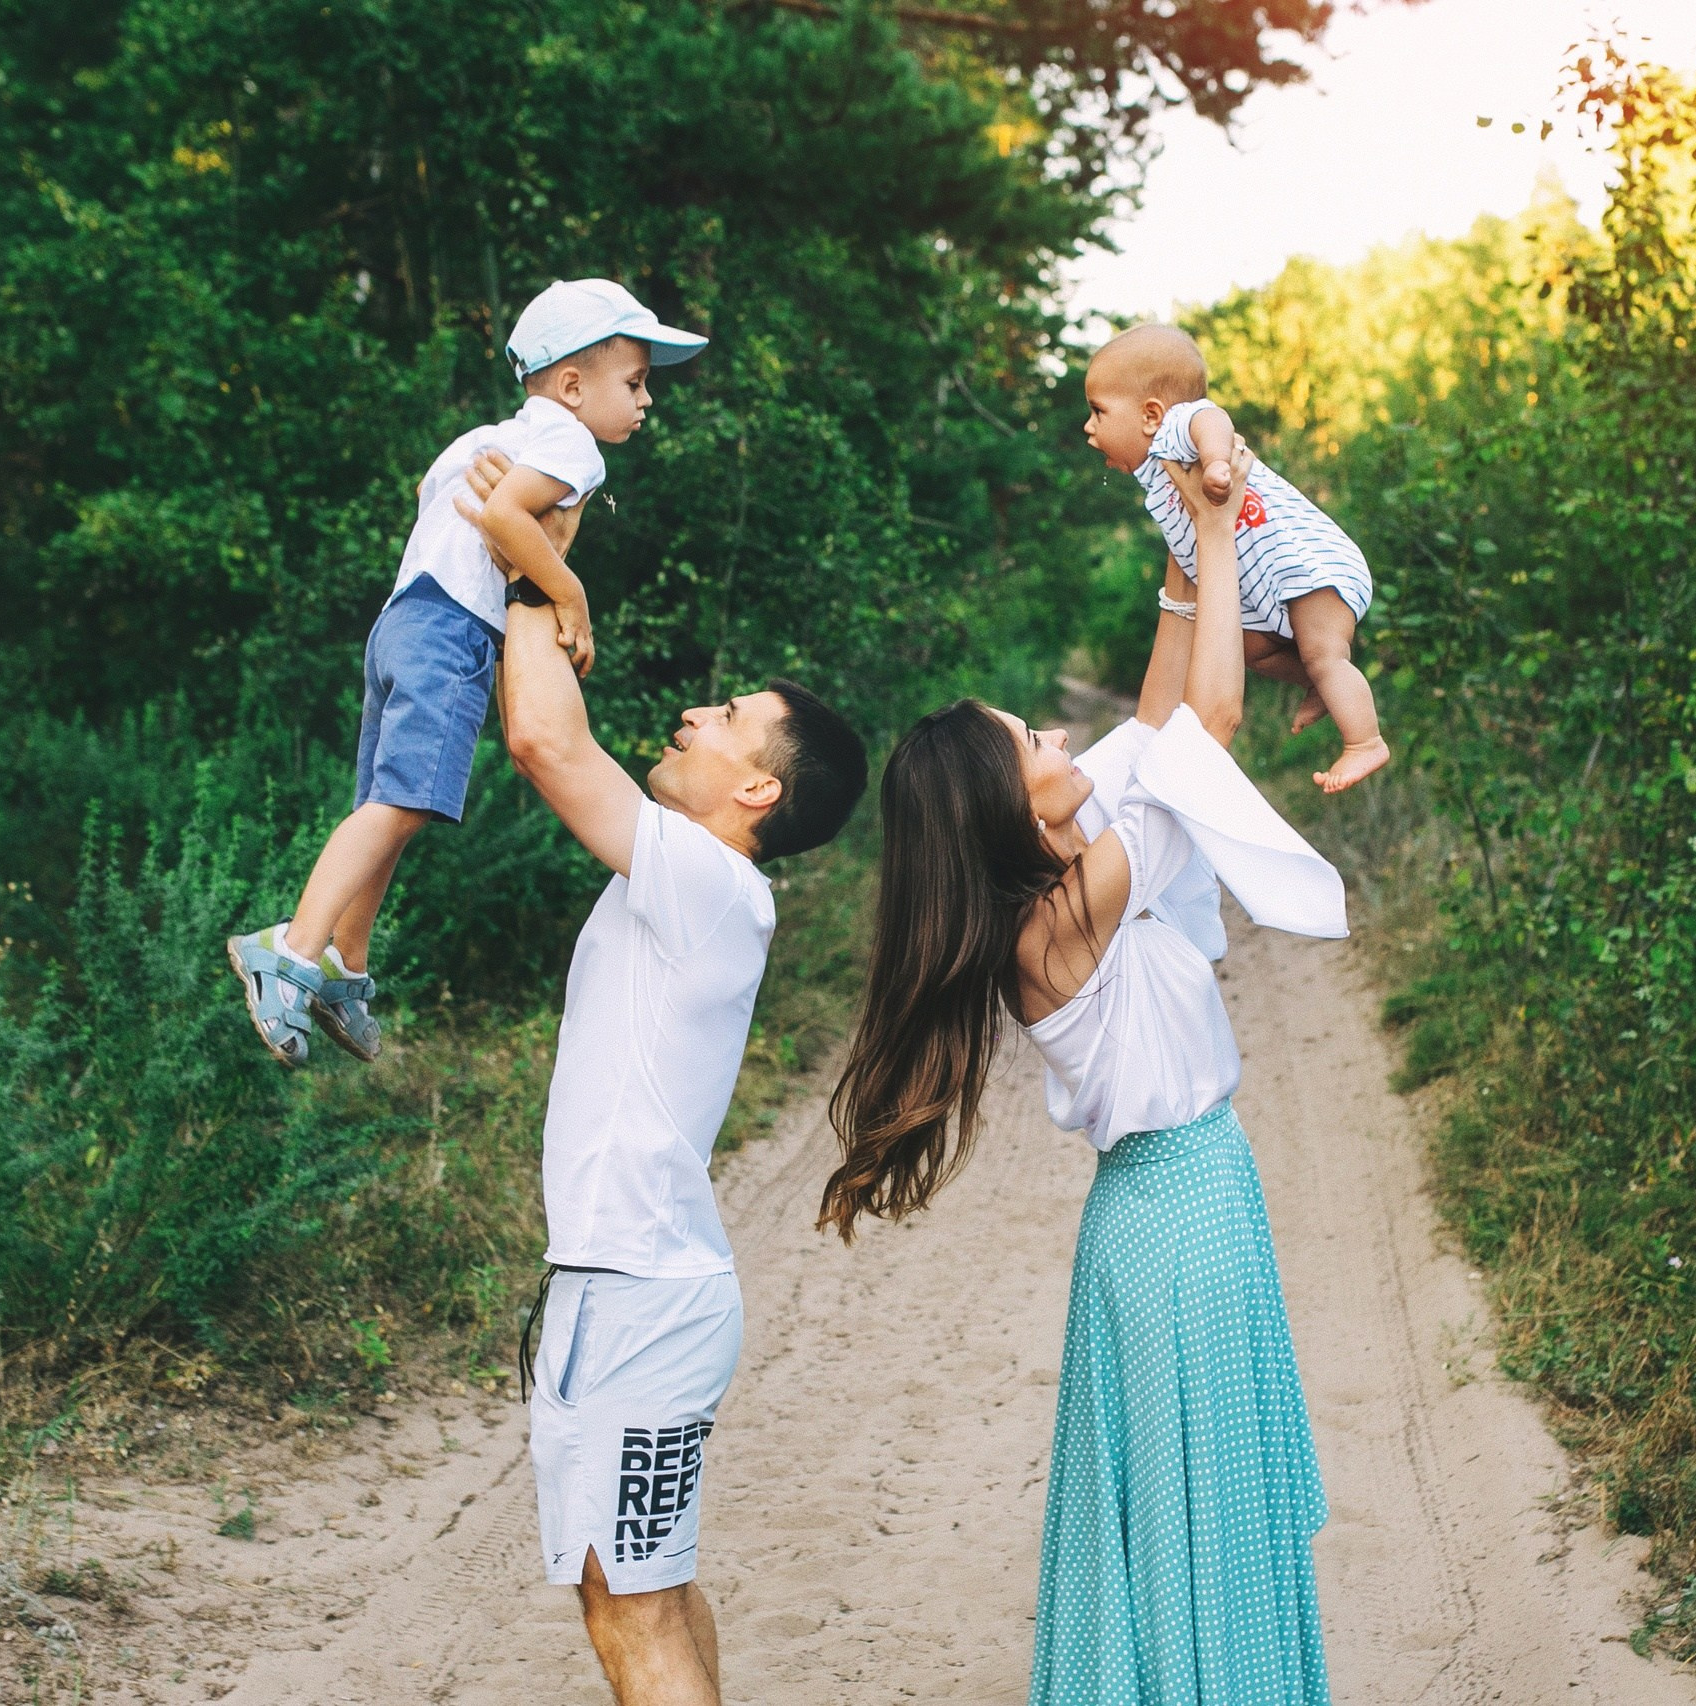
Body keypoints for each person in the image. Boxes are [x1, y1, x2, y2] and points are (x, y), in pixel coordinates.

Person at [822, 443, 1344, 1704]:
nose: (1060, 731)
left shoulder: (1067, 862)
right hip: (1177, 1218)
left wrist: (1179, 546)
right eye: (1032, 735)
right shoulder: (1058, 916)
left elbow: (1161, 721)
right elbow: (1204, 731)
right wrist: (1221, 542)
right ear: (1009, 802)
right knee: (1195, 1514)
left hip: (1176, 1210)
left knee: (1188, 1506)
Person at [460, 449, 868, 1706]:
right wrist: (533, 565)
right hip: (615, 1287)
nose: (691, 713)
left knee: (629, 1607)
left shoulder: (713, 883)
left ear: (757, 787)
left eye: (725, 718)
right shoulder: (687, 881)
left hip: (640, 1299)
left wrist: (534, 562)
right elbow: (539, 727)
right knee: (633, 1591)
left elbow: (539, 736)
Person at [226, 278, 706, 1068]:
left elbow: (435, 497)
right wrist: (572, 596)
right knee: (408, 803)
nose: (647, 399)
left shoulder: (483, 437)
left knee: (385, 807)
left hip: (398, 623)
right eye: (636, 381)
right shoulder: (571, 446)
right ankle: (289, 948)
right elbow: (506, 517)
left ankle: (346, 964)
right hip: (451, 631)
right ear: (573, 386)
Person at [1082, 321, 1390, 794]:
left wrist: (1218, 462)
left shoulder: (1176, 433)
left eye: (1098, 411)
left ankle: (1364, 740)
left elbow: (1211, 417)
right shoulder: (1159, 479)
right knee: (1247, 649)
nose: (1089, 427)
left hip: (1310, 567)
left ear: (1149, 415)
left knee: (1325, 651)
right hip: (1272, 592)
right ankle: (1326, 684)